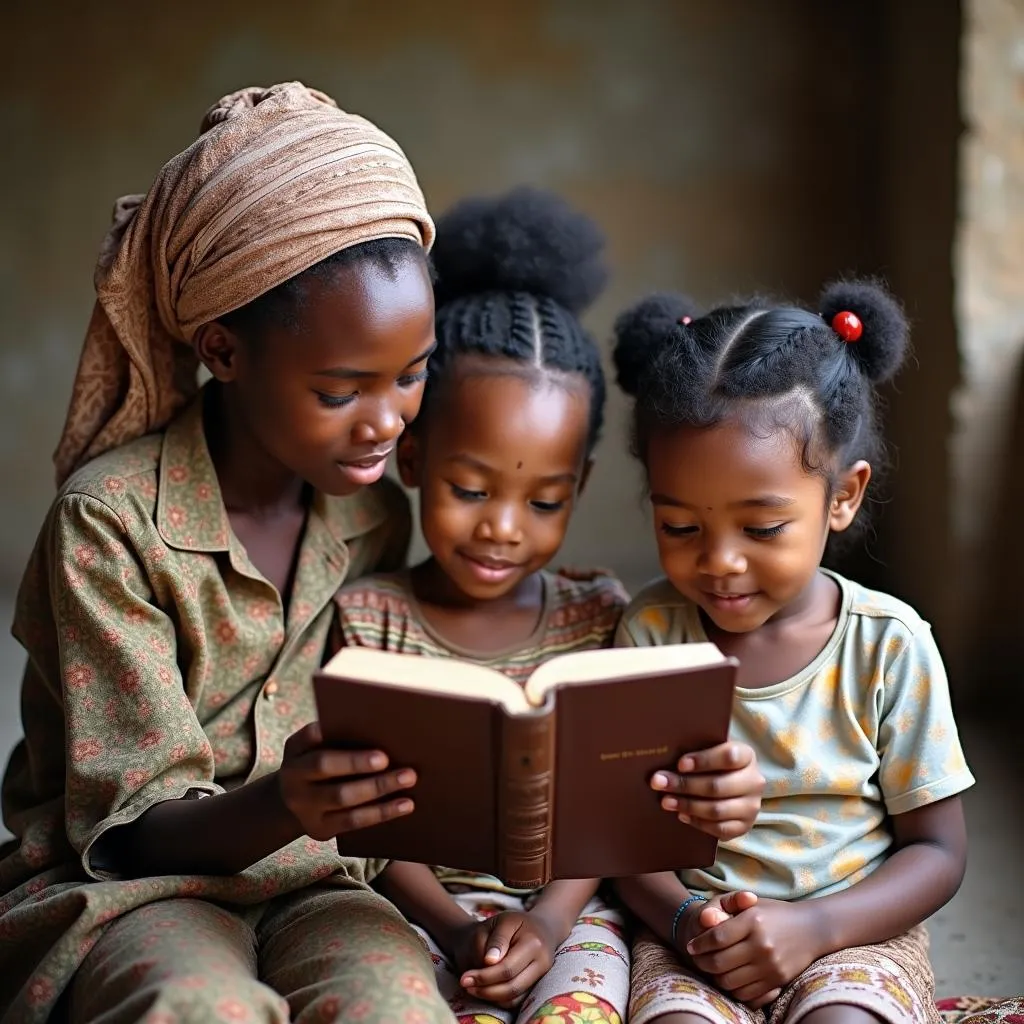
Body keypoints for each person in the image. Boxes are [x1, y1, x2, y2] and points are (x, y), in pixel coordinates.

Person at [0, 82, 455, 1024]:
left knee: (396, 1004)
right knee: (196, 1006)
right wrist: (289, 799)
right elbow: (125, 836)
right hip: (138, 891)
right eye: (342, 390)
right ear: (224, 350)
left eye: (411, 374)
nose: (386, 422)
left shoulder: (372, 521)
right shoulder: (111, 523)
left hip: (319, 890)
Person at [334, 188, 767, 1024]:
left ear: (582, 490)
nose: (501, 529)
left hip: (570, 914)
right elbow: (368, 832)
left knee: (586, 1006)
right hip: (413, 913)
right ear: (413, 457)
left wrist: (547, 918)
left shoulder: (602, 615)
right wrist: (460, 930)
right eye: (469, 488)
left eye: (543, 503)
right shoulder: (369, 620)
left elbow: (618, 811)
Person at [609, 281, 975, 1024]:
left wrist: (816, 928)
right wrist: (686, 924)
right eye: (680, 527)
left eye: (763, 528)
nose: (720, 563)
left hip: (855, 935)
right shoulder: (651, 633)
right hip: (693, 934)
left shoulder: (887, 644)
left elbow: (938, 852)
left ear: (841, 497)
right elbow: (619, 838)